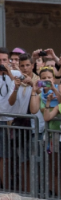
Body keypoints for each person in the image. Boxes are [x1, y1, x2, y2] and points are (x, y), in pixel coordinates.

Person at [8, 53, 44, 192]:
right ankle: (26, 190)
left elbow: (42, 90)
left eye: (27, 65)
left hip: (36, 128)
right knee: (23, 161)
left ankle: (37, 190)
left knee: (35, 161)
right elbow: (11, 102)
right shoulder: (15, 81)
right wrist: (16, 88)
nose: (24, 68)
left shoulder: (38, 79)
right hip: (22, 128)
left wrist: (31, 83)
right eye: (22, 66)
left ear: (32, 66)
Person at [29, 66, 61, 196]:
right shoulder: (39, 95)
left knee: (59, 167)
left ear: (53, 78)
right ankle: (56, 194)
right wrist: (34, 90)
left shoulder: (59, 90)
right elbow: (33, 110)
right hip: (49, 134)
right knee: (51, 167)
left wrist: (54, 88)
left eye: (49, 78)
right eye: (44, 78)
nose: (47, 80)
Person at [0, 47, 22, 189]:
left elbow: (26, 81)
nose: (1, 63)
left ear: (9, 61)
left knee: (9, 157)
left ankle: (8, 187)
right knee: (2, 157)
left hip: (12, 120)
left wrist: (9, 72)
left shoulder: (15, 73)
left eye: (4, 60)